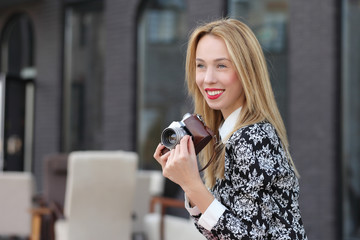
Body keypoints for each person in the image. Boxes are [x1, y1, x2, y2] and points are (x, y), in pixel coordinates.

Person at [153, 18, 307, 240]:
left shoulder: (252, 137)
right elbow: (219, 231)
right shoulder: (227, 135)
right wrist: (186, 182)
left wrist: (191, 183)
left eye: (222, 65)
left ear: (247, 71)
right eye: (201, 65)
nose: (208, 79)